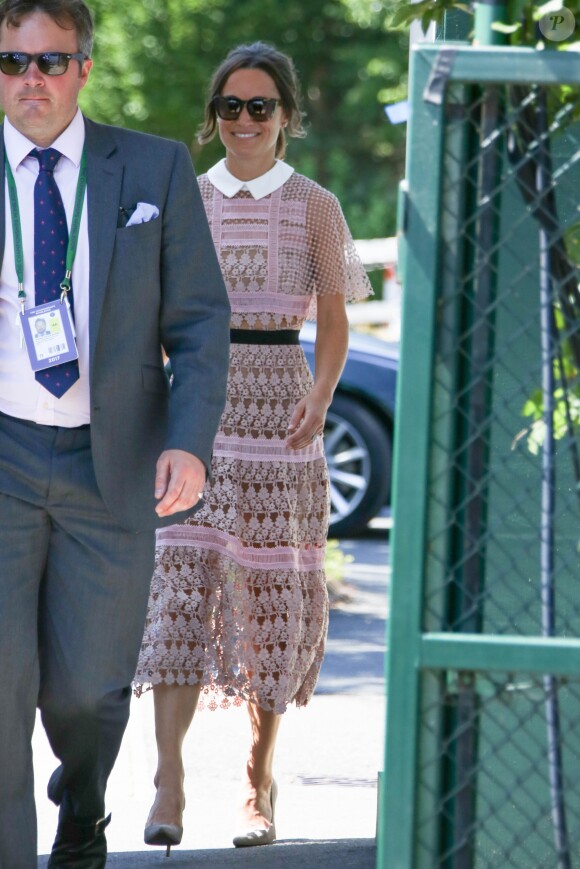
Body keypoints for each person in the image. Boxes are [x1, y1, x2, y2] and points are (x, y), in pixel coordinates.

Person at [0, 1, 230, 867]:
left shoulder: (154, 168)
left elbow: (203, 322)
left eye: (51, 62)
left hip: (114, 461)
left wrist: (189, 438)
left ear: (84, 69)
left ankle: (84, 799)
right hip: (4, 455)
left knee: (88, 695)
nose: (32, 80)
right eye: (13, 61)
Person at [134, 41, 373, 855]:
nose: (244, 121)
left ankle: (255, 785)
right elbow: (156, 314)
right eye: (230, 106)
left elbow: (336, 323)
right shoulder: (186, 197)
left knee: (270, 611)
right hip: (197, 408)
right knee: (175, 596)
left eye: (260, 106)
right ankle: (166, 780)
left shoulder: (316, 205)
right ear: (214, 117)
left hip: (282, 412)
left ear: (287, 118)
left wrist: (323, 391)